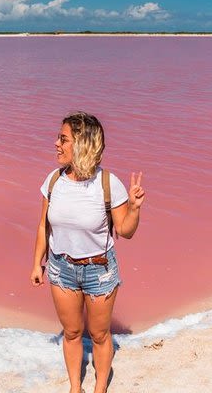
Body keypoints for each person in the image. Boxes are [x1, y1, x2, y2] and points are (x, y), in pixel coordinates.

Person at [30, 111, 145, 393]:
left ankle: (100, 387)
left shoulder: (108, 184)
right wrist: (37, 263)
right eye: (59, 137)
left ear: (82, 143)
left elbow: (126, 231)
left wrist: (134, 207)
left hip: (99, 270)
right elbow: (43, 226)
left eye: (63, 139)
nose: (56, 143)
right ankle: (74, 387)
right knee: (71, 333)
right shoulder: (54, 181)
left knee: (99, 334)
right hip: (61, 268)